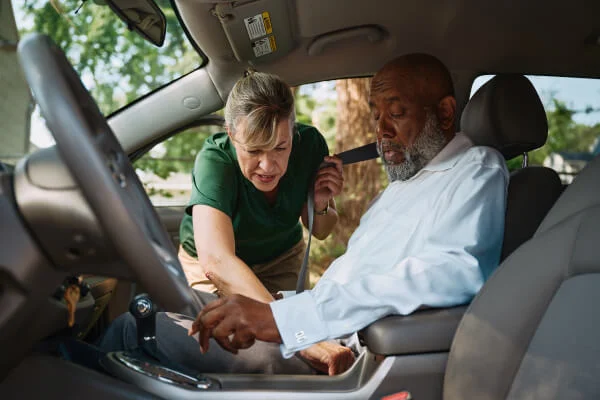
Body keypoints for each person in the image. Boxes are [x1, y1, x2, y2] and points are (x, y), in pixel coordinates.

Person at [99, 53, 509, 376]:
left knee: (137, 329)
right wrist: (288, 311)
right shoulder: (405, 186)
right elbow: (218, 259)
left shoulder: (476, 169)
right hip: (306, 318)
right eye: (376, 115)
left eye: (396, 113)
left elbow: (453, 270)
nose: (381, 131)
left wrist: (288, 320)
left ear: (444, 112)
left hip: (334, 340)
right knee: (147, 306)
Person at [177, 71, 343, 297]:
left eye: (280, 148)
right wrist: (275, 317)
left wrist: (321, 204)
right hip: (214, 265)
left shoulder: (310, 145)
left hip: (281, 259)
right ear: (231, 135)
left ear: (293, 133)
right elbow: (216, 261)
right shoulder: (214, 162)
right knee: (224, 330)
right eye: (254, 150)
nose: (267, 166)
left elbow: (322, 232)